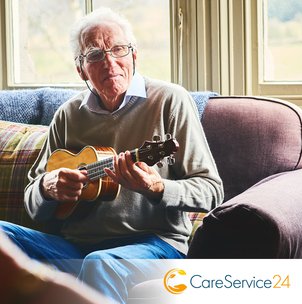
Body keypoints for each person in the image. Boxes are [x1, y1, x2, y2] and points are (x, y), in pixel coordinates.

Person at [0, 7, 223, 304]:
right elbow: (32, 199)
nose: (109, 62)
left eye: (118, 49)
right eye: (94, 54)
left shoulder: (170, 101)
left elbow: (212, 191)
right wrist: (47, 187)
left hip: (153, 245)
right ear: (81, 69)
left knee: (101, 263)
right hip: (75, 247)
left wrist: (158, 188)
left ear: (134, 55)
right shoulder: (67, 114)